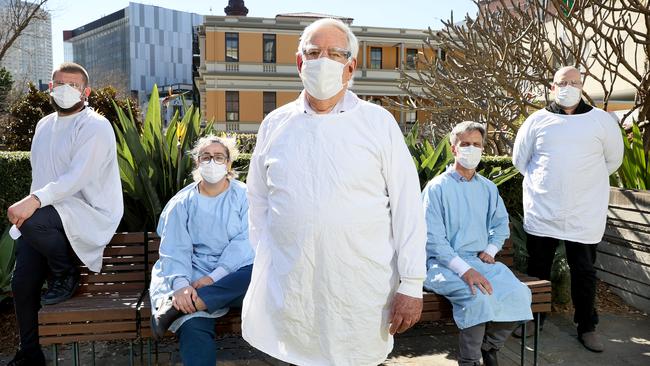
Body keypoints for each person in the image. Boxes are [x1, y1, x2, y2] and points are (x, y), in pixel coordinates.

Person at [241, 18, 427, 366]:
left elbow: (407, 208)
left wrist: (412, 284)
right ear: (300, 63)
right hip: (293, 290)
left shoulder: (378, 123)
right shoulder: (275, 124)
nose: (322, 60)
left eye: (334, 53)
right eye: (313, 52)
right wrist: (271, 258)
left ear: (350, 66)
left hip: (359, 291)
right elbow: (258, 200)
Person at [6, 62, 123, 366]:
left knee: (31, 219)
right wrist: (29, 214)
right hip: (48, 217)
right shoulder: (44, 124)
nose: (65, 89)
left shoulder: (96, 125)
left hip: (89, 212)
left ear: (86, 91)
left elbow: (75, 178)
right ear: (50, 87)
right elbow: (41, 175)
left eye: (73, 85)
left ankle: (65, 272)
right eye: (60, 83)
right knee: (22, 285)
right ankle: (30, 353)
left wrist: (32, 203)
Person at [512, 66, 624, 352]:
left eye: (574, 82)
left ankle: (587, 326)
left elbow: (613, 161)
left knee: (584, 270)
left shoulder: (602, 121)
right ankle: (535, 318)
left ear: (582, 85)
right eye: (562, 82)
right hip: (544, 210)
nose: (568, 86)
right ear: (552, 87)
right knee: (538, 269)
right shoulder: (536, 120)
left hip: (583, 213)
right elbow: (519, 161)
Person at [422, 121, 532, 366]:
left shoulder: (488, 188)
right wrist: (465, 270)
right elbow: (433, 240)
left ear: (483, 149)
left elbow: (501, 223)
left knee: (519, 293)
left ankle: (489, 347)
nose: (471, 149)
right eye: (465, 144)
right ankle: (469, 361)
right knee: (477, 298)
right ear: (453, 149)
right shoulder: (436, 189)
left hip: (478, 262)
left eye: (477, 144)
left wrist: (491, 250)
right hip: (442, 266)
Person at [149, 135, 254, 366]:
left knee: (256, 275)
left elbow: (246, 242)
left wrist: (213, 278)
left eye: (219, 157)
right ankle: (187, 306)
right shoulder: (182, 203)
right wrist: (181, 287)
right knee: (193, 326)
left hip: (231, 276)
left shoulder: (244, 197)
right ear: (197, 162)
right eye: (206, 157)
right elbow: (175, 249)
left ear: (228, 164)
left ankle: (178, 308)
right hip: (191, 276)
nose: (212, 162)